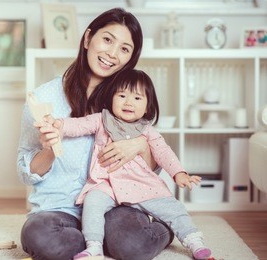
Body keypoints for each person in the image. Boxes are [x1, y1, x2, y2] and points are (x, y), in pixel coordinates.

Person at [17, 8, 174, 260]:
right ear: (88, 38)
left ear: (131, 58)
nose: (112, 54)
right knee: (38, 236)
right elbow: (25, 170)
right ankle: (97, 241)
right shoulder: (44, 98)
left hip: (115, 202)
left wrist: (139, 146)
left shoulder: (127, 101)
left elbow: (152, 167)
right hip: (59, 208)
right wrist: (48, 148)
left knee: (133, 246)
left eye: (124, 48)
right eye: (108, 40)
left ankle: (163, 227)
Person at [42, 69, 212, 260]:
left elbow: (164, 153)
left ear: (148, 106)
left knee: (173, 208)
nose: (128, 102)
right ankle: (94, 246)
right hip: (106, 183)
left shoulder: (147, 130)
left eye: (137, 98)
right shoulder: (101, 120)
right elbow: (79, 125)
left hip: (142, 184)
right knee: (92, 202)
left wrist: (179, 173)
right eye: (122, 95)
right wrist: (58, 125)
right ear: (111, 98)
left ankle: (194, 241)